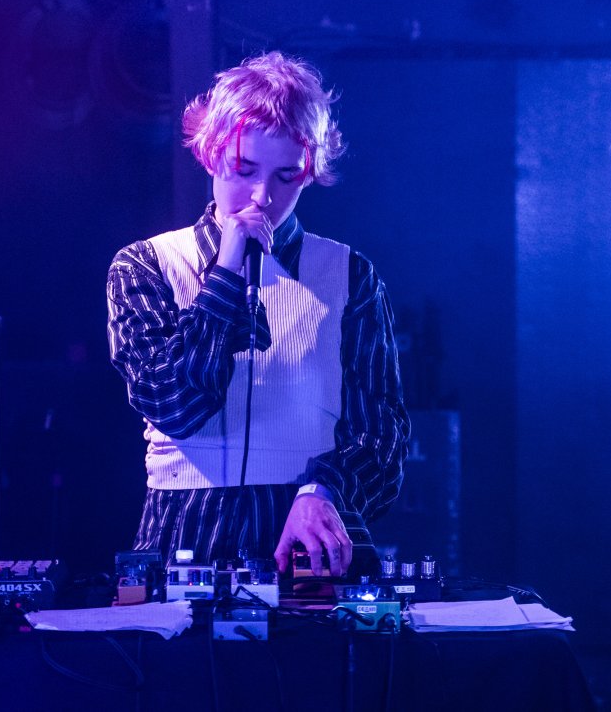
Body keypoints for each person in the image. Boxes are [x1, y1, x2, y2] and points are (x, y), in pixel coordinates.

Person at [106, 52, 409, 577]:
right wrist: (224, 276)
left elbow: (382, 436)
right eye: (243, 169)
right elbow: (174, 405)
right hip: (185, 528)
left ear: (308, 174)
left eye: (287, 176)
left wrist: (324, 490)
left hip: (307, 530)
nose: (262, 196)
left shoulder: (350, 275)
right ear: (210, 154)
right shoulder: (144, 266)